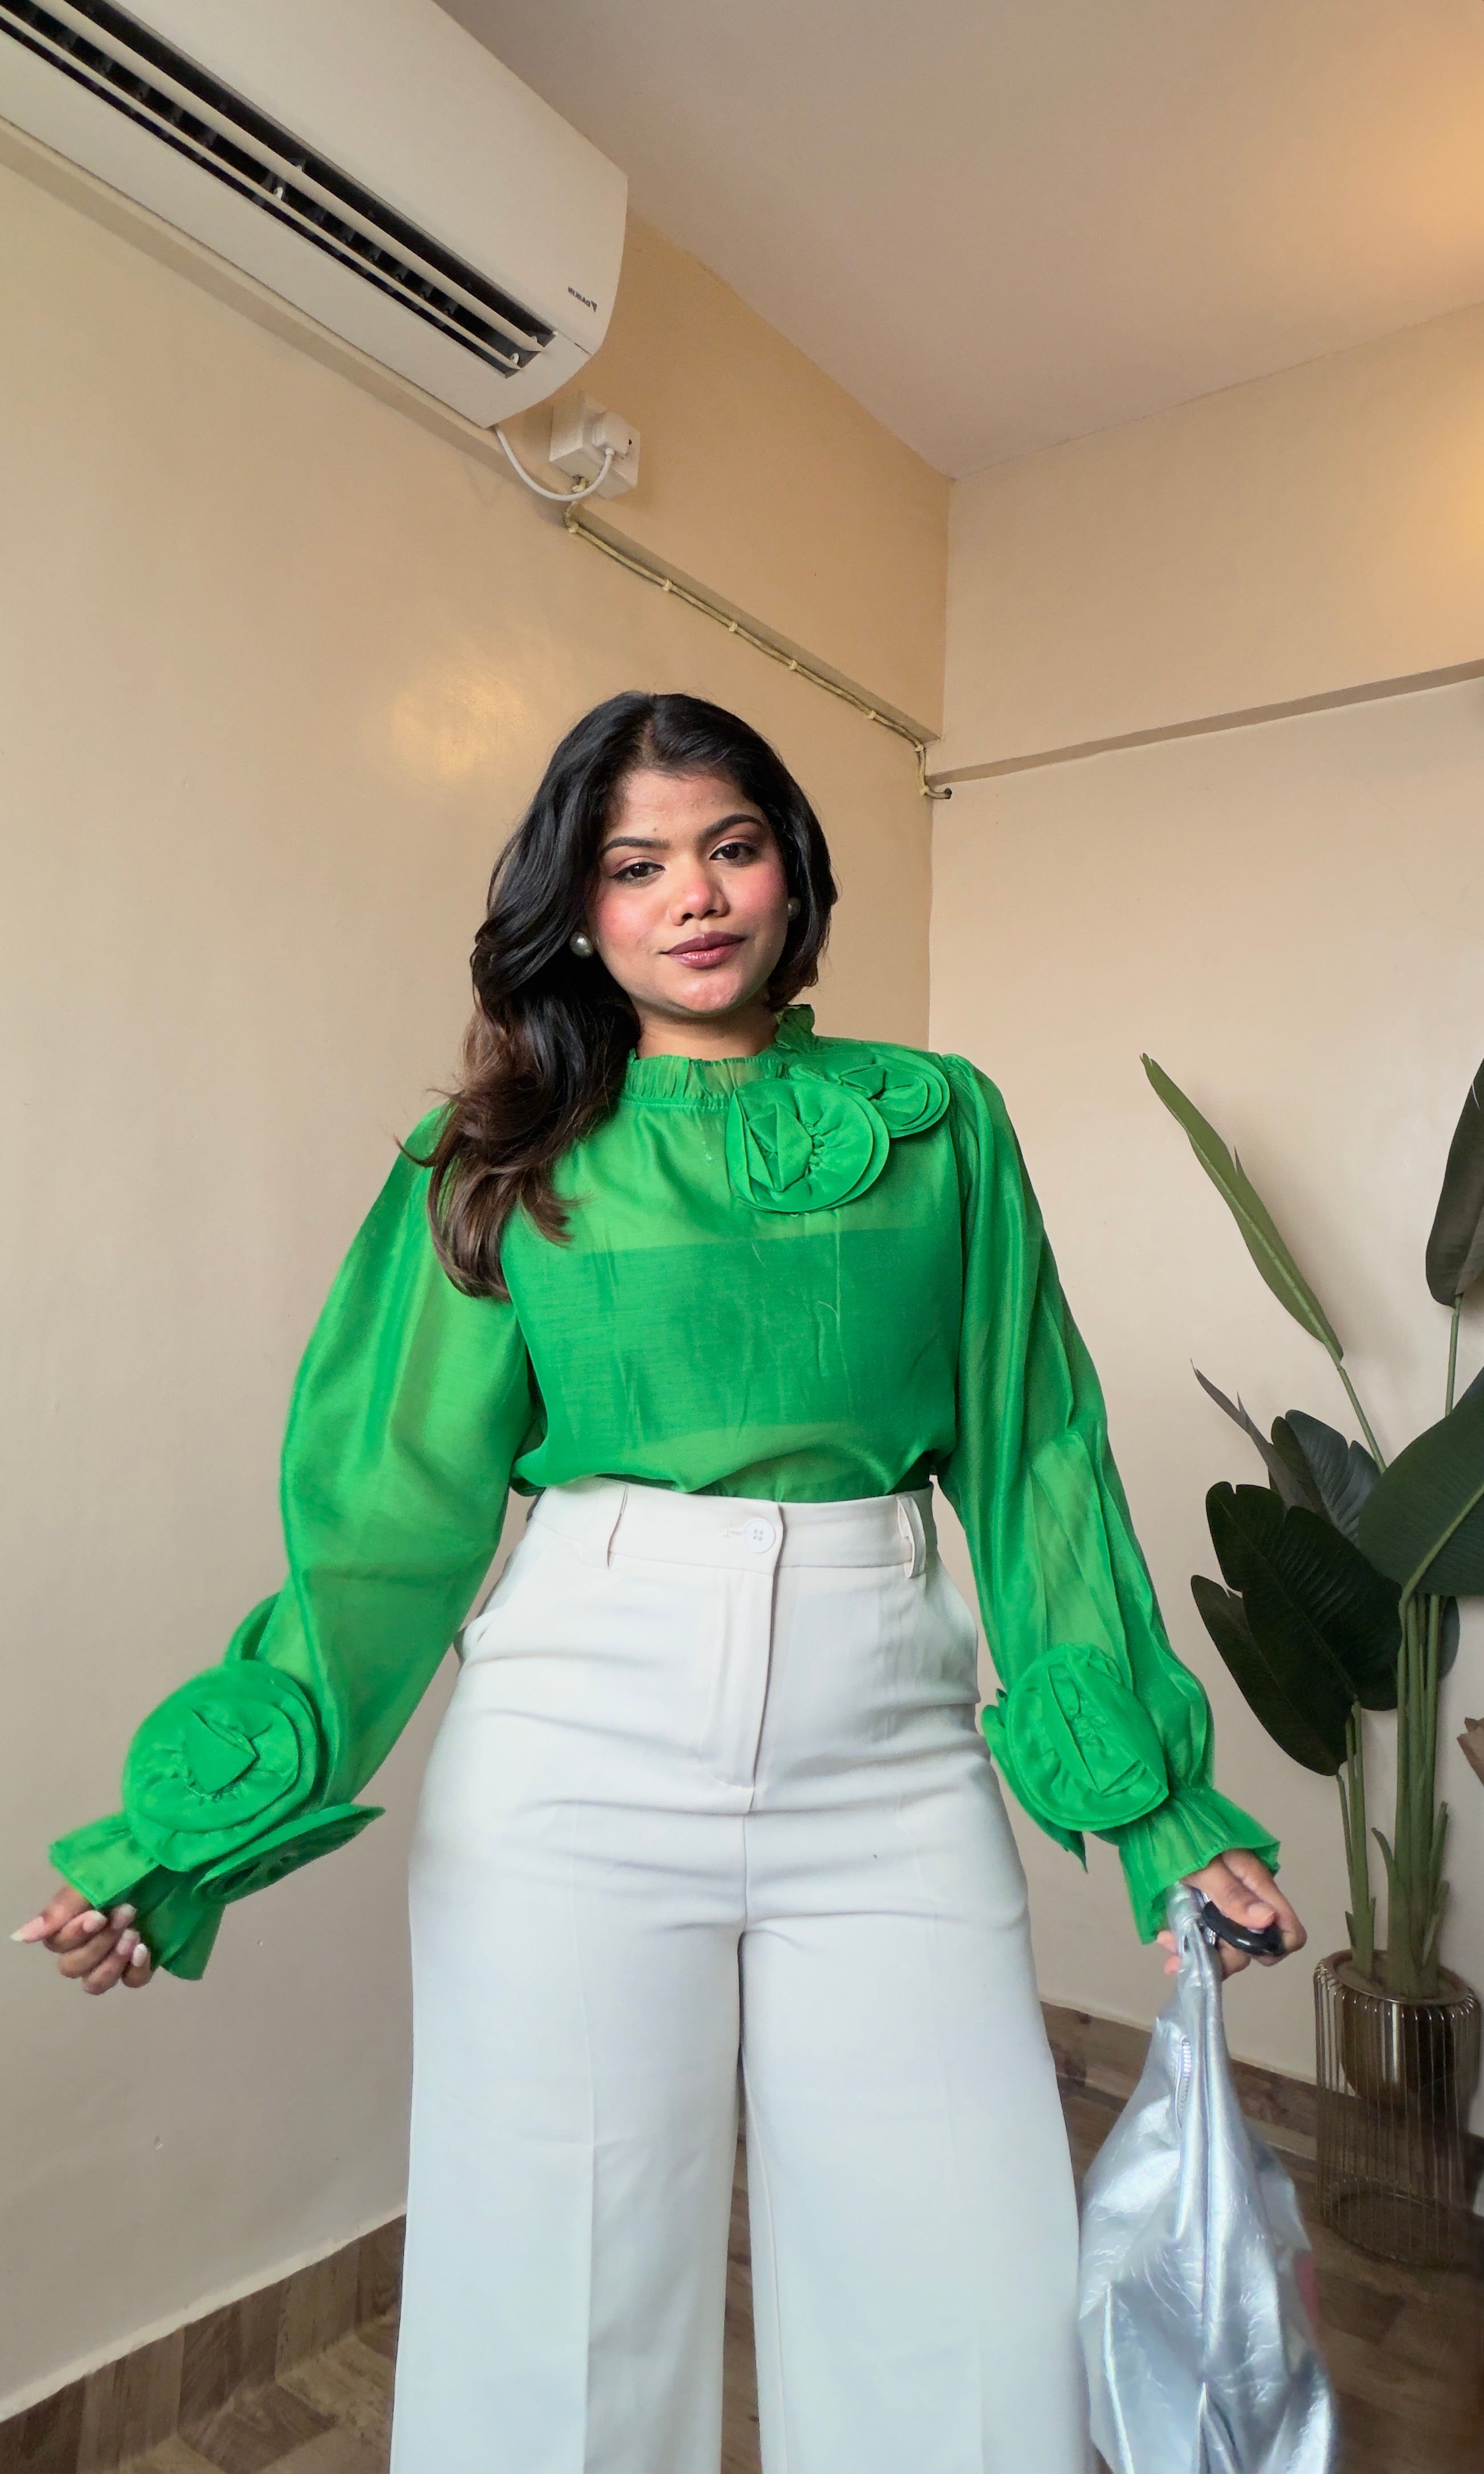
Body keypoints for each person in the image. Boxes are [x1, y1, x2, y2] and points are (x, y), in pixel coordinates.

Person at [17, 692, 1304, 2473]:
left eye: (730, 847)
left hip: (891, 1757)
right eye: (634, 866)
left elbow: (1037, 1466)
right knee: (553, 2328)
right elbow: (385, 1527)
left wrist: (1160, 1811)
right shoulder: (493, 1156)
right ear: (577, 905)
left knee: (974, 2328)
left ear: (792, 872)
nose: (691, 896)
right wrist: (178, 1842)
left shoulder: (942, 1124)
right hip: (573, 1755)